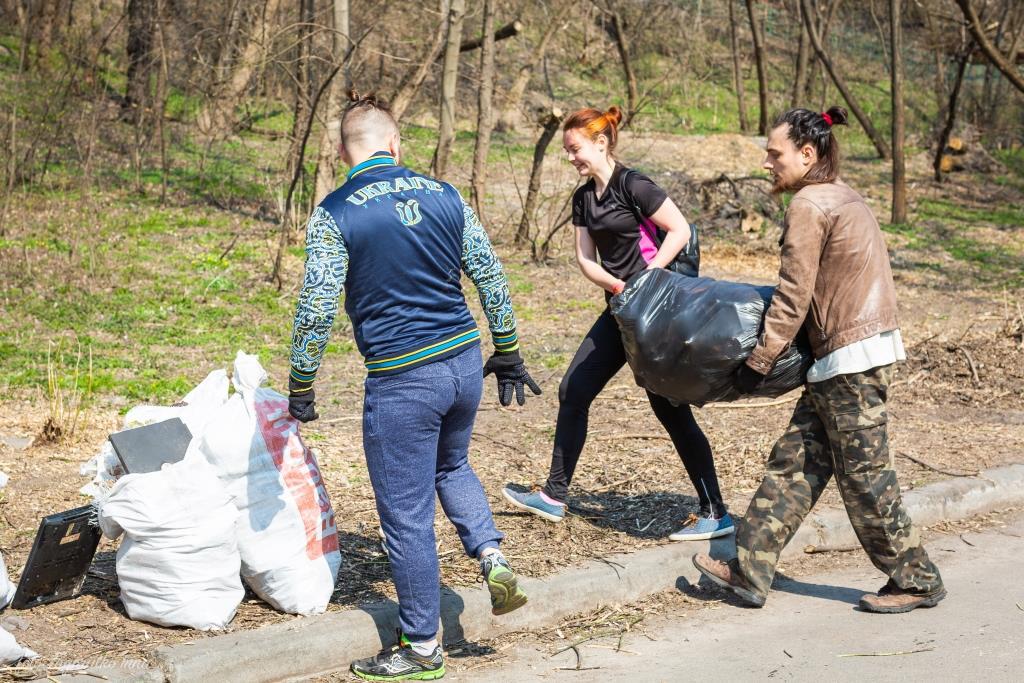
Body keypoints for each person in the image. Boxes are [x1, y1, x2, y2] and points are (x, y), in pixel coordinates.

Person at [288, 93, 541, 681]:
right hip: (462, 363)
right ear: (395, 144)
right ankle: (492, 555)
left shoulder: (334, 212)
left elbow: (317, 306)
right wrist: (507, 350)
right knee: (451, 468)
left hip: (404, 380)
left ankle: (422, 647)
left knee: (405, 516)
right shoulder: (446, 193)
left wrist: (302, 383)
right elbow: (490, 274)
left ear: (342, 153)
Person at [693, 106, 946, 613]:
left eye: (775, 152)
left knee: (865, 477)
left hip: (850, 360)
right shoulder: (844, 195)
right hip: (846, 359)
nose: (767, 162)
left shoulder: (810, 204)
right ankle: (750, 570)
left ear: (807, 154)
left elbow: (793, 294)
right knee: (795, 463)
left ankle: (916, 579)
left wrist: (757, 362)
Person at [502, 105, 733, 541]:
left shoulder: (634, 185)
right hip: (622, 309)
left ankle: (715, 512)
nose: (571, 157)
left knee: (669, 408)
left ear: (601, 143)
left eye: (576, 149)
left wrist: (646, 280)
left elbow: (680, 230)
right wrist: (616, 286)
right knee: (575, 387)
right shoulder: (583, 197)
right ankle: (553, 495)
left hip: (659, 312)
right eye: (567, 151)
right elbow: (585, 259)